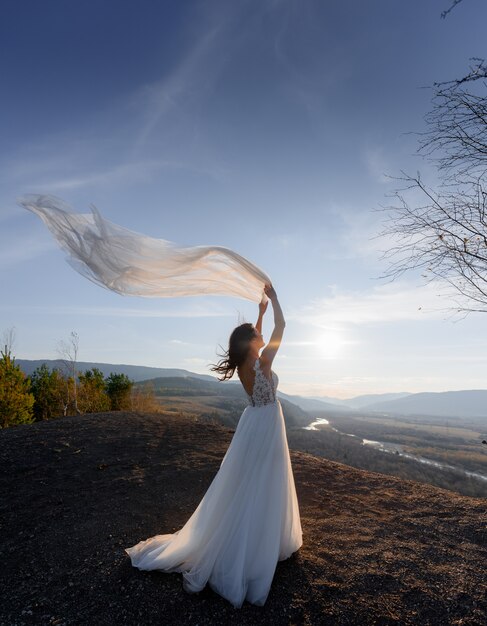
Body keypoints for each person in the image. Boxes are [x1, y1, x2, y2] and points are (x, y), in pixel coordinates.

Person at [125, 283, 303, 608]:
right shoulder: (262, 363)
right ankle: (256, 544)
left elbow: (261, 334)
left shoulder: (247, 364)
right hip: (265, 424)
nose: (261, 337)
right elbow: (282, 327)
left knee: (251, 481)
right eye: (256, 335)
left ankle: (256, 537)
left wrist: (259, 314)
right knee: (265, 480)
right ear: (252, 344)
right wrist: (276, 299)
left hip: (254, 422)